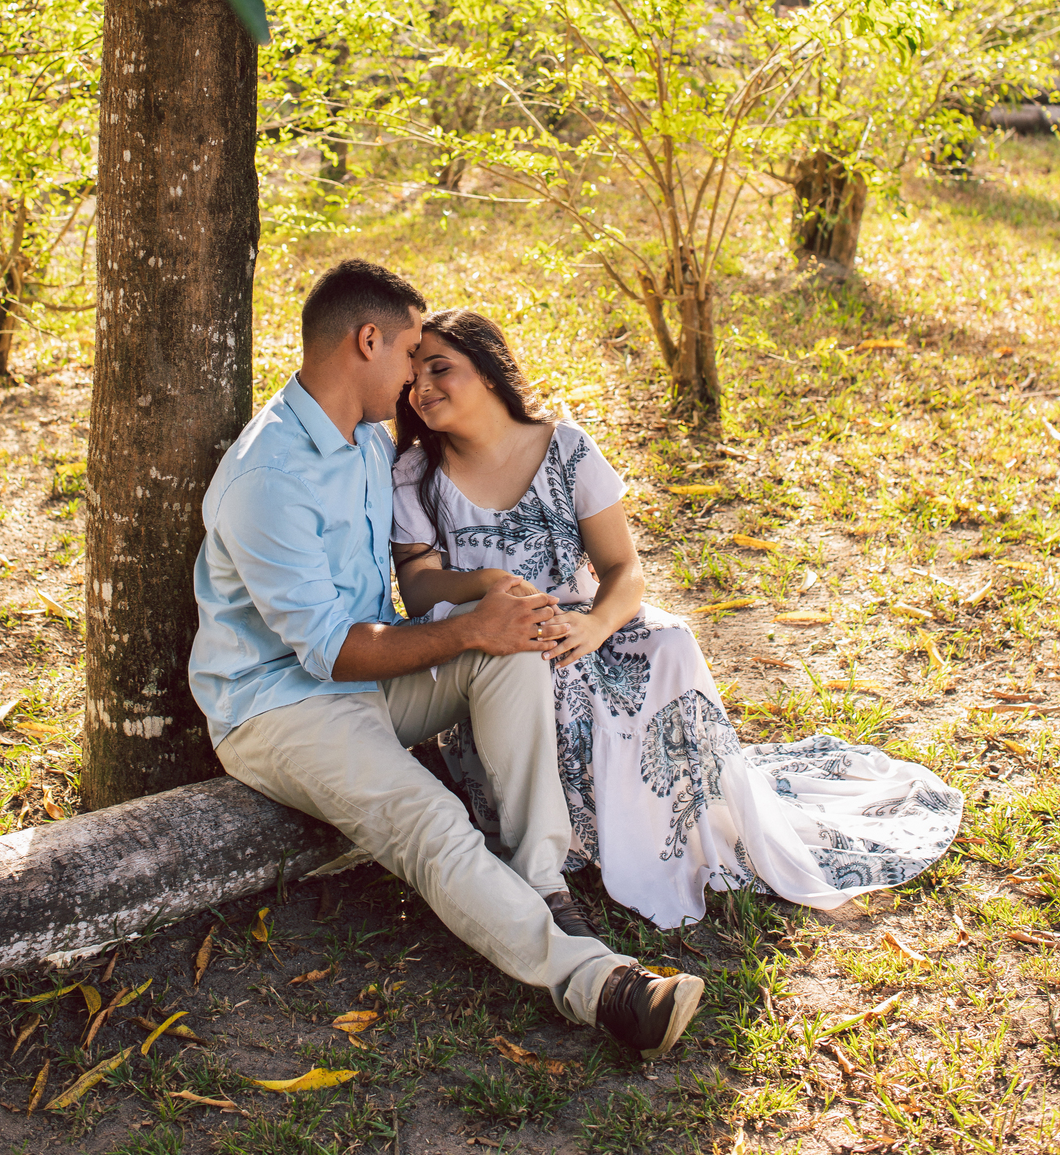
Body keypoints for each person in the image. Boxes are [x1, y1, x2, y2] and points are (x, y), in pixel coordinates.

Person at [188, 259, 705, 1059]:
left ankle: (540, 880)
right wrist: (469, 628)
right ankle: (604, 987)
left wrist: (491, 624)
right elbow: (328, 651)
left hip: (372, 679)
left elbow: (394, 614)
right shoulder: (269, 476)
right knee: (430, 818)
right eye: (406, 356)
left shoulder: (362, 441)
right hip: (277, 707)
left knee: (515, 649)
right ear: (368, 342)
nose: (412, 382)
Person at [391, 309, 965, 929]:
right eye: (411, 378)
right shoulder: (417, 476)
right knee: (544, 678)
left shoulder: (564, 449)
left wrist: (595, 627)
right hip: (494, 641)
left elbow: (624, 568)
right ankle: (568, 848)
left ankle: (672, 825)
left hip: (586, 620)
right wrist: (486, 584)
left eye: (440, 368)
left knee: (670, 643)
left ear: (489, 370)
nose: (422, 389)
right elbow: (419, 590)